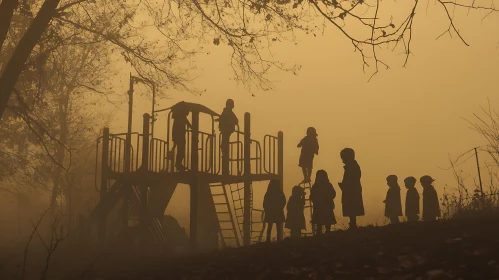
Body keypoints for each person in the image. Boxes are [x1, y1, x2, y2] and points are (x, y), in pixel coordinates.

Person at [338, 148, 364, 229]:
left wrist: (344, 186)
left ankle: (352, 223)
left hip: (352, 191)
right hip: (351, 189)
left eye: (343, 158)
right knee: (351, 206)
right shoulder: (352, 166)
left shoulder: (352, 167)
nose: (342, 160)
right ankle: (352, 222)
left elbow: (353, 179)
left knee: (352, 205)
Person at [216, 99, 239, 176]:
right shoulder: (228, 112)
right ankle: (225, 170)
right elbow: (235, 120)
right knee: (225, 150)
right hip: (226, 132)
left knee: (224, 149)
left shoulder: (226, 112)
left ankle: (225, 170)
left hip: (226, 132)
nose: (233, 105)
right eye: (232, 104)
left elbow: (233, 120)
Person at [310, 170, 336, 235]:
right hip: (324, 206)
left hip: (321, 206)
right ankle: (324, 231)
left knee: (321, 220)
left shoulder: (316, 186)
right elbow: (333, 193)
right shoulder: (327, 185)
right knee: (323, 220)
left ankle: (322, 231)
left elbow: (333, 194)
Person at [170, 103, 191, 171]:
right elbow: (189, 124)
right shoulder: (182, 117)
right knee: (181, 151)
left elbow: (174, 128)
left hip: (178, 136)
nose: (188, 112)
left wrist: (174, 137)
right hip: (180, 136)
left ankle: (178, 164)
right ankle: (178, 164)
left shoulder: (178, 117)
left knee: (180, 150)